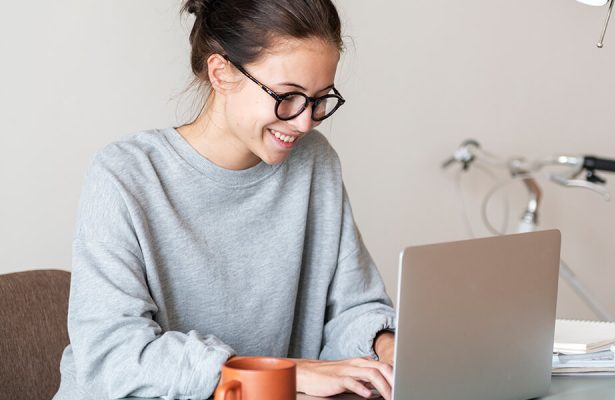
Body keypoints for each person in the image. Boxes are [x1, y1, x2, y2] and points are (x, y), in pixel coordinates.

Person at [53, 1, 397, 399]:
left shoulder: (314, 163)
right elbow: (114, 357)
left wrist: (385, 348)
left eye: (320, 99)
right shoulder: (124, 174)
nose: (304, 122)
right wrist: (283, 374)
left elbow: (353, 308)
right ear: (221, 72)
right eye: (288, 96)